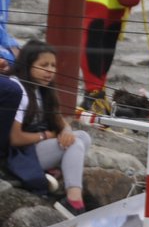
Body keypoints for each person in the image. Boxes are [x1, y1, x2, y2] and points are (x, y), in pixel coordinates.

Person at [9, 41, 92, 212]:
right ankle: (74, 201)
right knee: (75, 143)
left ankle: (56, 171)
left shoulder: (42, 89)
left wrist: (66, 131)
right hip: (17, 154)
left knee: (83, 137)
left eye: (53, 65)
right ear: (27, 64)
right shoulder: (17, 90)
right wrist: (48, 135)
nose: (50, 71)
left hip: (34, 147)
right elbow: (14, 138)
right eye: (43, 65)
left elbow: (59, 120)